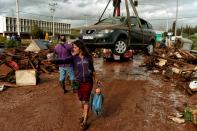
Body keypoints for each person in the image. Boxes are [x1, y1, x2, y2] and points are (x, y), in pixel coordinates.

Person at [49, 40, 95, 130]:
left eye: (74, 47)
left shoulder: (88, 57)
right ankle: (83, 114)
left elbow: (92, 70)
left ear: (80, 48)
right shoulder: (73, 58)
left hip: (88, 82)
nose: (73, 49)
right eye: (73, 47)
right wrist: (53, 61)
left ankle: (85, 121)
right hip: (78, 82)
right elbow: (63, 60)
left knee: (85, 101)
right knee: (81, 100)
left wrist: (97, 80)